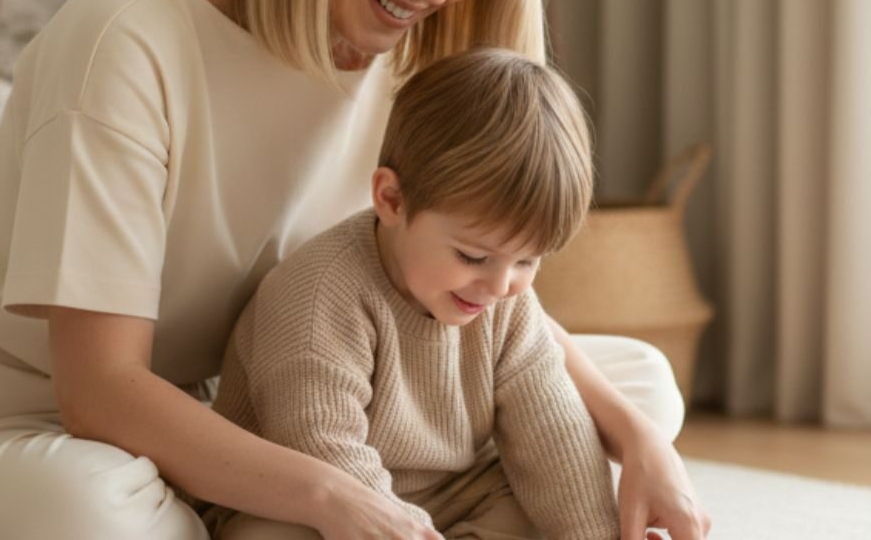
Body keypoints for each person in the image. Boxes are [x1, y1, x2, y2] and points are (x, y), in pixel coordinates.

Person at [0, 0, 711, 539]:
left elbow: (500, 315)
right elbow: (100, 393)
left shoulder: (409, 44)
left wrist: (639, 441)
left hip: (261, 404)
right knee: (90, 513)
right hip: (37, 429)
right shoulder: (127, 39)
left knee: (633, 379)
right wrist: (337, 497)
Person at [204, 47, 620, 540]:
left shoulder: (506, 300)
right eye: (472, 256)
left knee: (549, 489)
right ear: (392, 200)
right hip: (317, 497)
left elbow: (555, 435)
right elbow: (323, 448)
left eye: (528, 261)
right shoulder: (318, 296)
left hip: (456, 491)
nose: (502, 286)